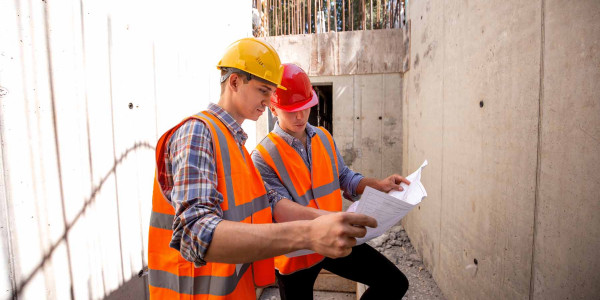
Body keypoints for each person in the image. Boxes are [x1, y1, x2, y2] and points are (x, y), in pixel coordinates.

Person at [147, 38, 377, 300]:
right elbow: (195, 233)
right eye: (264, 91)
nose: (270, 102)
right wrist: (308, 233)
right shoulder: (197, 133)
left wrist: (328, 221)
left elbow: (267, 205)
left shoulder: (235, 144)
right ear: (234, 82)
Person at [252, 63, 410, 300]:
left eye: (305, 107)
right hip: (296, 255)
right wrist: (333, 220)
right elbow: (278, 209)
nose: (300, 116)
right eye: (290, 110)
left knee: (394, 282)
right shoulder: (263, 156)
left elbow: (344, 177)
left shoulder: (323, 137)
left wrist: (379, 185)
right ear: (273, 108)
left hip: (334, 239)